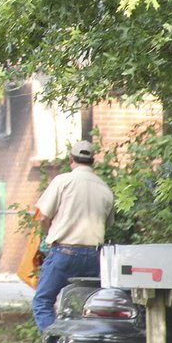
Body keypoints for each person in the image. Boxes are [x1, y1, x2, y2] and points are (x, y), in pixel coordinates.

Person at [31, 140, 114, 333]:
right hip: (94, 257)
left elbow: (43, 216)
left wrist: (47, 237)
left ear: (71, 159)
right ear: (93, 161)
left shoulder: (62, 181)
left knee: (43, 302)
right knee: (91, 307)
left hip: (64, 252)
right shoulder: (105, 189)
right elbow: (107, 224)